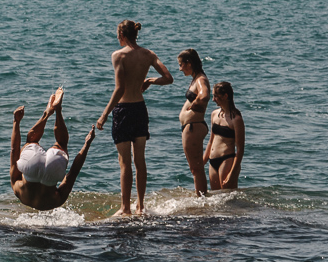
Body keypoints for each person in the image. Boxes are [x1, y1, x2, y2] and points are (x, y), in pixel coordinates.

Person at [95, 20, 173, 216]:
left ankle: (125, 208)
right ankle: (140, 206)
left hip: (123, 110)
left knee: (124, 163)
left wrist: (104, 115)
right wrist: (149, 81)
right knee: (140, 160)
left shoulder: (118, 55)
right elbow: (168, 78)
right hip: (140, 109)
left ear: (122, 36)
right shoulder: (148, 54)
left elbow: (119, 88)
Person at [11, 88, 98, 211]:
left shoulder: (56, 202)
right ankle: (47, 114)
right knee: (31, 141)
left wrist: (87, 144)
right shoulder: (18, 192)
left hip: (52, 173)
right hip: (31, 166)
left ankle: (57, 110)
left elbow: (73, 173)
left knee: (61, 144)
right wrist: (16, 122)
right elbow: (15, 151)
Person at [176, 49, 209, 197]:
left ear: (189, 63)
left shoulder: (201, 79)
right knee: (195, 168)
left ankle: (201, 198)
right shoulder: (196, 79)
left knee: (196, 168)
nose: (180, 68)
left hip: (194, 127)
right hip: (191, 126)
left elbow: (205, 94)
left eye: (181, 65)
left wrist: (195, 103)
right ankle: (200, 196)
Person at [205, 81, 245, 191]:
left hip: (227, 160)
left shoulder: (236, 119)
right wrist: (202, 162)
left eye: (216, 96)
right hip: (212, 161)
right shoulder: (214, 114)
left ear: (225, 96)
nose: (213, 99)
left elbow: (240, 149)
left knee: (228, 197)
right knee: (215, 198)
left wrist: (232, 172)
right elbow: (211, 140)